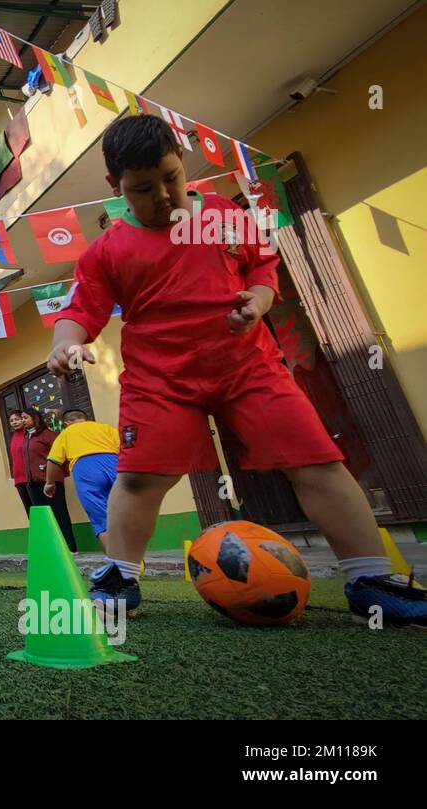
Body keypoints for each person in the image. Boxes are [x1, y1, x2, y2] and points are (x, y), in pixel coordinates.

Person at [47, 113, 426, 626]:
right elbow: (78, 311)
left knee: (317, 461)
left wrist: (261, 300)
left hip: (249, 366)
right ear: (115, 187)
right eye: (142, 189)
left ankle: (370, 581)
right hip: (160, 380)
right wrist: (68, 345)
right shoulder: (107, 251)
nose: (162, 196)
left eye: (171, 178)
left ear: (182, 162)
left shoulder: (224, 214)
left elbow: (261, 267)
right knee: (138, 479)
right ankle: (119, 577)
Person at [44, 410, 120, 550]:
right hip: (115, 464)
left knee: (101, 520)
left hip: (86, 468)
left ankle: (120, 562)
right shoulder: (105, 428)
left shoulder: (66, 433)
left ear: (66, 423)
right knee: (124, 511)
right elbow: (125, 448)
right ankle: (134, 556)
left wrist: (50, 483)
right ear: (86, 419)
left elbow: (53, 461)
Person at [21, 407, 77, 552]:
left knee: (59, 513)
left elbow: (61, 456)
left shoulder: (48, 435)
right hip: (33, 483)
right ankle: (51, 549)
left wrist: (57, 476)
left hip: (50, 481)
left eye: (25, 417)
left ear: (35, 418)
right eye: (22, 418)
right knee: (43, 517)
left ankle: (70, 547)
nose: (23, 421)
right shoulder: (26, 437)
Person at [7, 409, 34, 516]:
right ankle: (35, 532)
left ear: (23, 420)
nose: (14, 422)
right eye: (11, 420)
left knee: (38, 509)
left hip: (31, 478)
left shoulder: (29, 435)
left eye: (17, 419)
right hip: (19, 480)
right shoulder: (13, 437)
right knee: (29, 512)